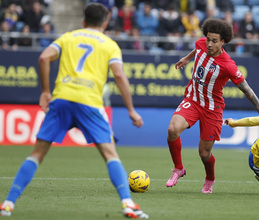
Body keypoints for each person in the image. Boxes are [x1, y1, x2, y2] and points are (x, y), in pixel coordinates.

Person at [0, 3, 148, 219]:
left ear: (83, 21)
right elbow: (119, 75)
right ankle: (128, 204)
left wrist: (44, 91)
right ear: (105, 22)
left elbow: (43, 57)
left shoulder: (69, 37)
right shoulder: (109, 45)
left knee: (37, 154)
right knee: (110, 154)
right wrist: (131, 110)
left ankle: (8, 204)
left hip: (61, 100)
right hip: (89, 103)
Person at [165, 18, 259, 193]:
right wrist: (186, 58)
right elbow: (198, 48)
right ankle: (179, 168)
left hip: (212, 109)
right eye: (208, 39)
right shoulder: (202, 43)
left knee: (204, 153)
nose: (209, 44)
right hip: (192, 100)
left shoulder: (228, 66)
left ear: (223, 42)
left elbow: (247, 89)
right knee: (172, 130)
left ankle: (210, 178)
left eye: (214, 41)